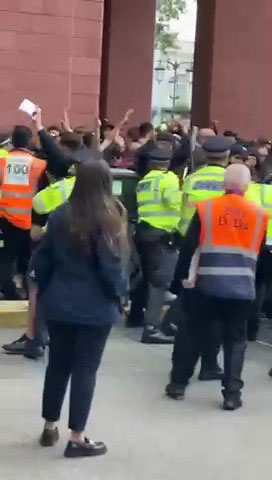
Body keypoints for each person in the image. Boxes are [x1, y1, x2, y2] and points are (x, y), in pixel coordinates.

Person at [29, 160, 128, 458]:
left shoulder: (60, 215)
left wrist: (41, 294)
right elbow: (111, 267)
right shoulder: (109, 218)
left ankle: (49, 424)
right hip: (95, 308)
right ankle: (77, 437)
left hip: (58, 303)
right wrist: (120, 296)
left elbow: (43, 260)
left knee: (57, 365)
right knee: (85, 370)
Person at [166, 164, 269, 410]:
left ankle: (178, 384)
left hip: (205, 284)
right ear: (247, 186)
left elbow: (189, 249)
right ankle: (231, 394)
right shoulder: (260, 215)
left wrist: (178, 282)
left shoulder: (207, 209)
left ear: (224, 184)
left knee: (192, 332)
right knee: (235, 339)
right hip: (242, 287)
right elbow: (261, 254)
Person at [131, 147, 181, 344]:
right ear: (167, 163)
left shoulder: (144, 181)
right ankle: (151, 328)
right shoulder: (168, 179)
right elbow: (173, 202)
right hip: (162, 233)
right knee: (160, 282)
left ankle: (135, 316)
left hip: (144, 232)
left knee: (146, 278)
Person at [0, 126, 47, 299]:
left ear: (13, 141)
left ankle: (9, 292)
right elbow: (43, 195)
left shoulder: (2, 162)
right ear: (29, 141)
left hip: (6, 217)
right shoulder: (39, 164)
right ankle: (30, 295)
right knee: (29, 260)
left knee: (6, 258)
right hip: (30, 219)